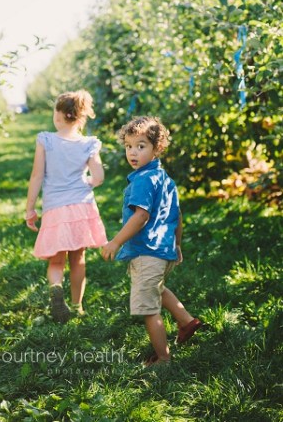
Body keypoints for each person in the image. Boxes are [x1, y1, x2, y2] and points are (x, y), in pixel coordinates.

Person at [101, 116, 202, 366]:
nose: (133, 152)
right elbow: (177, 215)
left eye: (141, 146)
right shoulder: (165, 179)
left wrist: (115, 242)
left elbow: (141, 216)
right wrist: (177, 245)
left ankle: (164, 360)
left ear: (157, 148)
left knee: (148, 309)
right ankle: (187, 321)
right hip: (164, 250)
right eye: (128, 146)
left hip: (147, 252)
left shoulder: (143, 180)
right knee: (157, 288)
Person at [25, 90, 108, 323]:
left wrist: (30, 209)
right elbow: (99, 176)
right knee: (78, 258)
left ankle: (55, 289)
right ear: (81, 117)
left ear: (58, 116)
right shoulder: (89, 144)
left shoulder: (46, 140)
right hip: (81, 206)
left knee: (56, 259)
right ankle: (77, 305)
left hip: (55, 208)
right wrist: (89, 182)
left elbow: (36, 176)